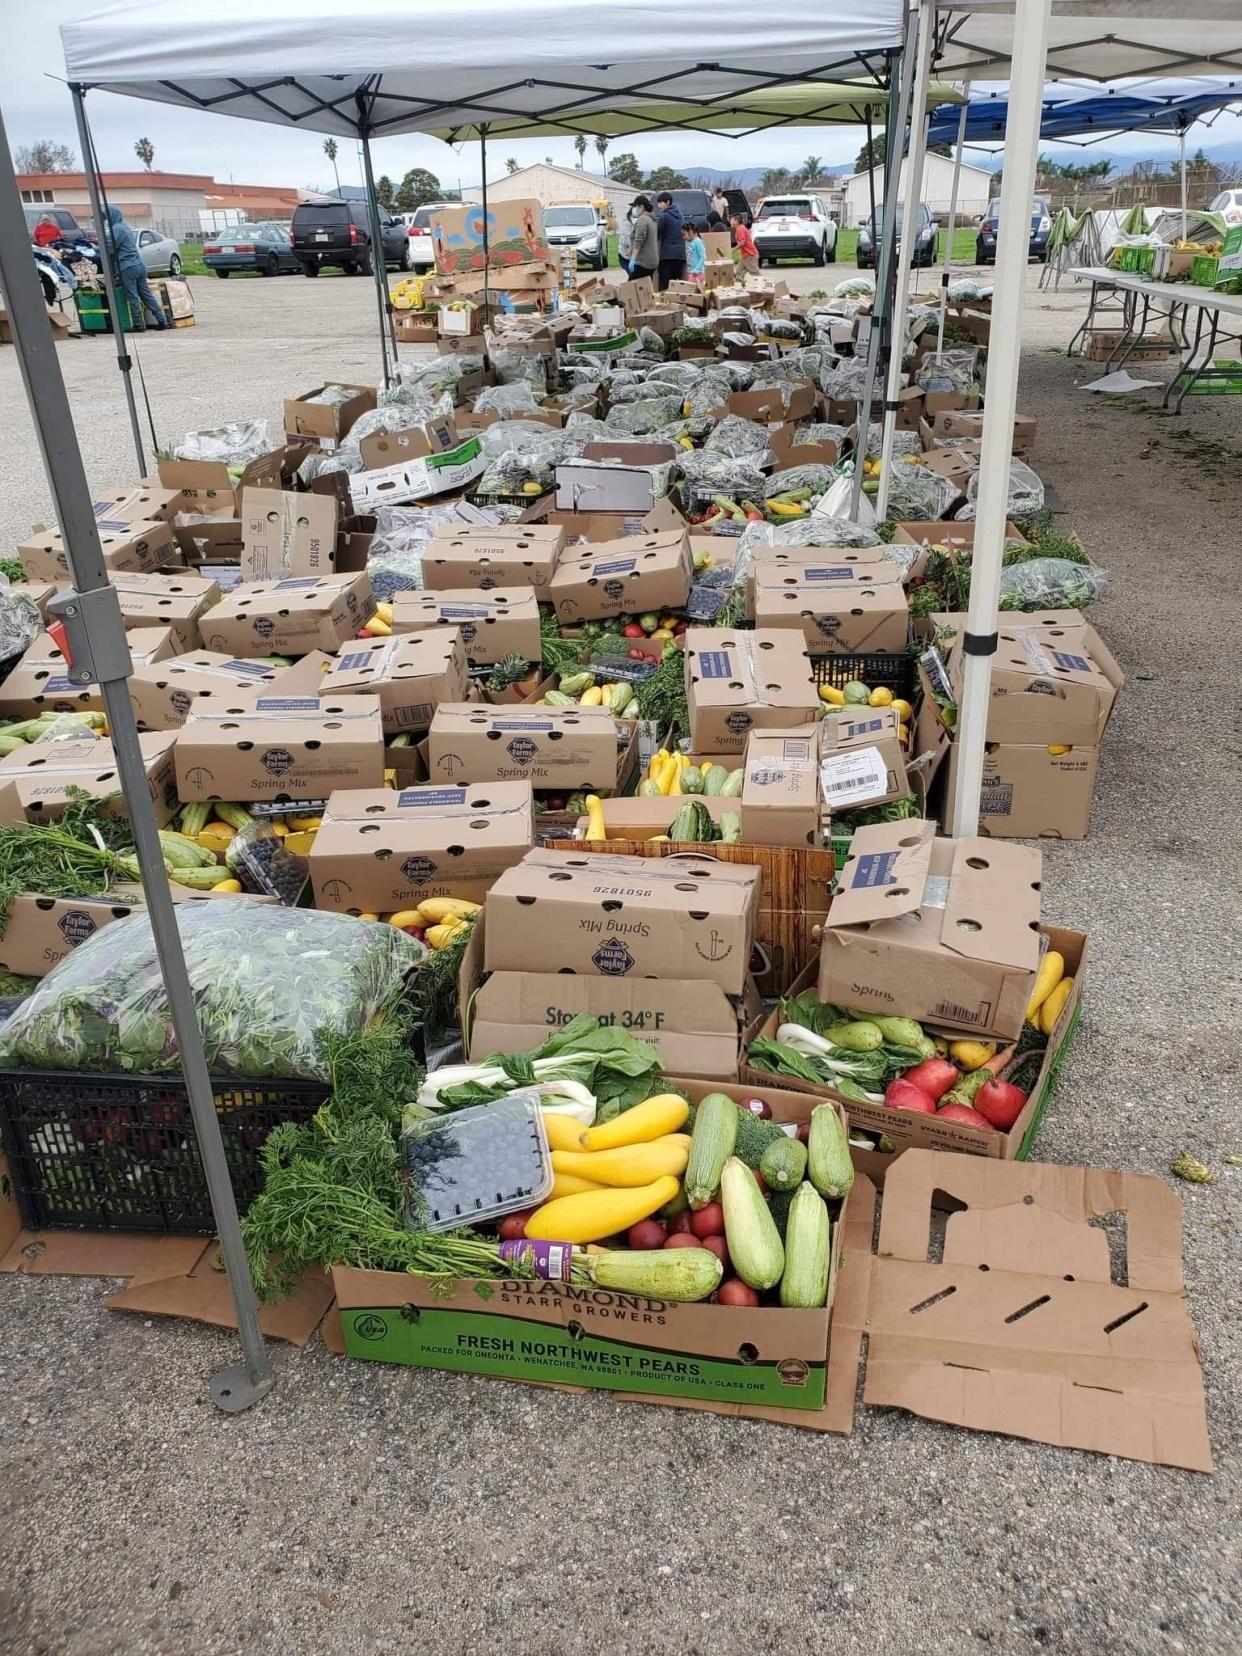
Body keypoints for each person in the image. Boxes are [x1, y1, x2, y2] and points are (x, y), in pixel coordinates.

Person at [104, 204, 168, 332]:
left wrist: (97, 247)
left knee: (132, 296)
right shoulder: (126, 228)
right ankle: (161, 320)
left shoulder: (116, 229)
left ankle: (138, 325)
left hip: (127, 267)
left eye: (106, 216)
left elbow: (109, 247)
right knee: (146, 294)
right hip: (139, 265)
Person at [653, 191, 686, 290]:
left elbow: (657, 233)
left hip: (667, 255)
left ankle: (664, 304)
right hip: (680, 255)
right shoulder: (681, 215)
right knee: (677, 286)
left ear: (667, 202)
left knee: (665, 284)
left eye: (660, 203)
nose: (659, 206)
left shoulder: (665, 216)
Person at [626, 195, 659, 280]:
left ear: (641, 206)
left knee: (630, 287)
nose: (635, 209)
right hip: (652, 261)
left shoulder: (643, 219)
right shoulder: (651, 219)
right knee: (645, 289)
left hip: (643, 262)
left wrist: (632, 259)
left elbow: (639, 240)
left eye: (635, 207)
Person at [731, 212, 760, 277]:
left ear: (736, 221)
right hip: (745, 256)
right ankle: (740, 286)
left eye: (731, 220)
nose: (730, 222)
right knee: (738, 273)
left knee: (756, 275)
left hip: (750, 255)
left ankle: (764, 286)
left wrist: (733, 250)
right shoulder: (740, 228)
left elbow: (742, 243)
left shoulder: (740, 229)